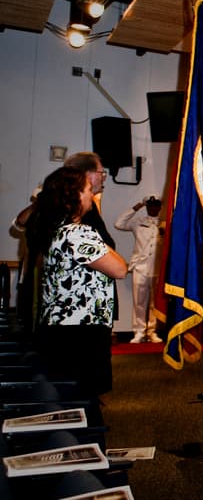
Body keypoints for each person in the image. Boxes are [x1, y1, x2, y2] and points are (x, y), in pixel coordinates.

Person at [26, 167, 127, 398]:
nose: (93, 195)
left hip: (60, 329)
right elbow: (120, 268)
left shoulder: (55, 230)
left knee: (68, 394)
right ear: (74, 195)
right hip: (80, 332)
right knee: (82, 397)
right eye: (89, 190)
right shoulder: (79, 233)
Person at [114, 196, 164, 344]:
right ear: (146, 206)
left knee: (155, 303)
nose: (153, 208)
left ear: (160, 207)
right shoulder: (138, 222)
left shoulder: (165, 223)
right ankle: (139, 332)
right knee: (139, 302)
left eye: (156, 205)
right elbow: (119, 223)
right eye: (150, 205)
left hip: (157, 267)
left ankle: (152, 331)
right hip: (140, 267)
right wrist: (136, 207)